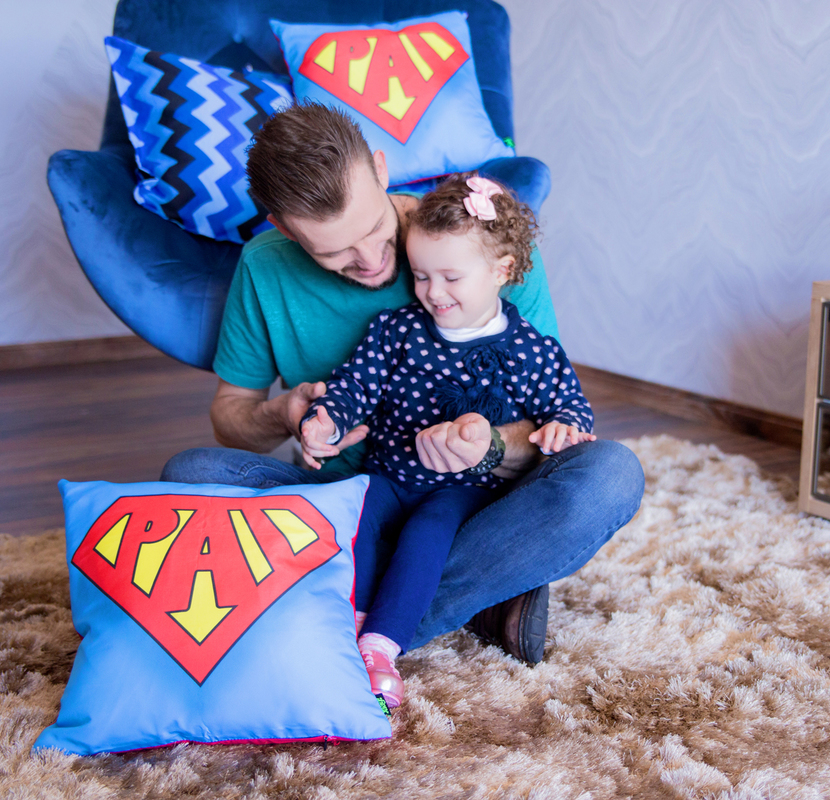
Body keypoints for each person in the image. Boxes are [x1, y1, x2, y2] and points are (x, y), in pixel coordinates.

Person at [160, 102, 645, 667]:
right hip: (349, 499)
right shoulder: (263, 266)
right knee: (190, 476)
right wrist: (285, 414)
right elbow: (232, 414)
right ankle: (471, 599)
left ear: (382, 171)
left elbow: (553, 423)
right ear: (284, 230)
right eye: (334, 250)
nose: (370, 262)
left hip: (468, 500)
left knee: (609, 475)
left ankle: (348, 620)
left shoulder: (473, 245)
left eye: (373, 229)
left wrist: (484, 447)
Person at [299, 174, 596, 706]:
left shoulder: (532, 349)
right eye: (420, 276)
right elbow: (354, 386)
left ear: (502, 270)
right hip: (389, 475)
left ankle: (381, 645)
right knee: (353, 511)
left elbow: (571, 408)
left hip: (462, 493)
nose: (432, 293)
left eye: (450, 278)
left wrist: (559, 428)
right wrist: (326, 419)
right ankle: (344, 626)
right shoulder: (396, 330)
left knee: (430, 531)